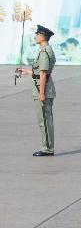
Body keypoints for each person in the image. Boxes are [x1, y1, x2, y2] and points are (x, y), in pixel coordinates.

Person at [15, 25, 56, 156]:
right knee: (44, 119)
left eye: (37, 34)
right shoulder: (45, 50)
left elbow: (43, 74)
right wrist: (27, 71)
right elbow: (39, 71)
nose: (35, 36)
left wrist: (42, 93)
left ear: (42, 36)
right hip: (42, 87)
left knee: (44, 120)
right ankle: (47, 147)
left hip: (42, 89)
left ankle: (47, 148)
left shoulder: (44, 51)